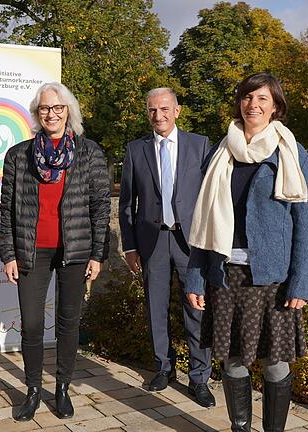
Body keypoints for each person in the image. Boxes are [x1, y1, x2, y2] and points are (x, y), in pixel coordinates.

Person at [185, 72, 308, 432]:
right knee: (232, 361)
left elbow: (304, 223)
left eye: (261, 99)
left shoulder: (291, 152)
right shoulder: (221, 151)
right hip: (227, 275)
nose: (252, 105)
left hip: (273, 277)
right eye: (246, 97)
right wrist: (196, 277)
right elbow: (205, 222)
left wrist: (301, 282)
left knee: (275, 363)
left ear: (275, 106)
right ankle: (240, 427)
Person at [0, 82, 110, 421]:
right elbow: (6, 209)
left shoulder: (89, 152)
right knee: (32, 325)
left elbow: (101, 205)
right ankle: (33, 389)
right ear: (36, 114)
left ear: (69, 112)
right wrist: (8, 253)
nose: (51, 113)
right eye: (45, 108)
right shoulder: (18, 155)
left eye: (58, 108)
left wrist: (97, 254)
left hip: (75, 250)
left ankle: (62, 388)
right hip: (31, 250)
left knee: (67, 322)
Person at [118, 88, 215, 406]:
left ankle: (200, 378)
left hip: (192, 243)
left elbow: (212, 198)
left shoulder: (200, 146)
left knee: (197, 309)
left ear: (177, 111)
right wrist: (130, 246)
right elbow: (126, 204)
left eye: (164, 109)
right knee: (155, 308)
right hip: (152, 241)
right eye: (151, 110)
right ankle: (164, 367)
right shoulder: (135, 150)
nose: (157, 116)